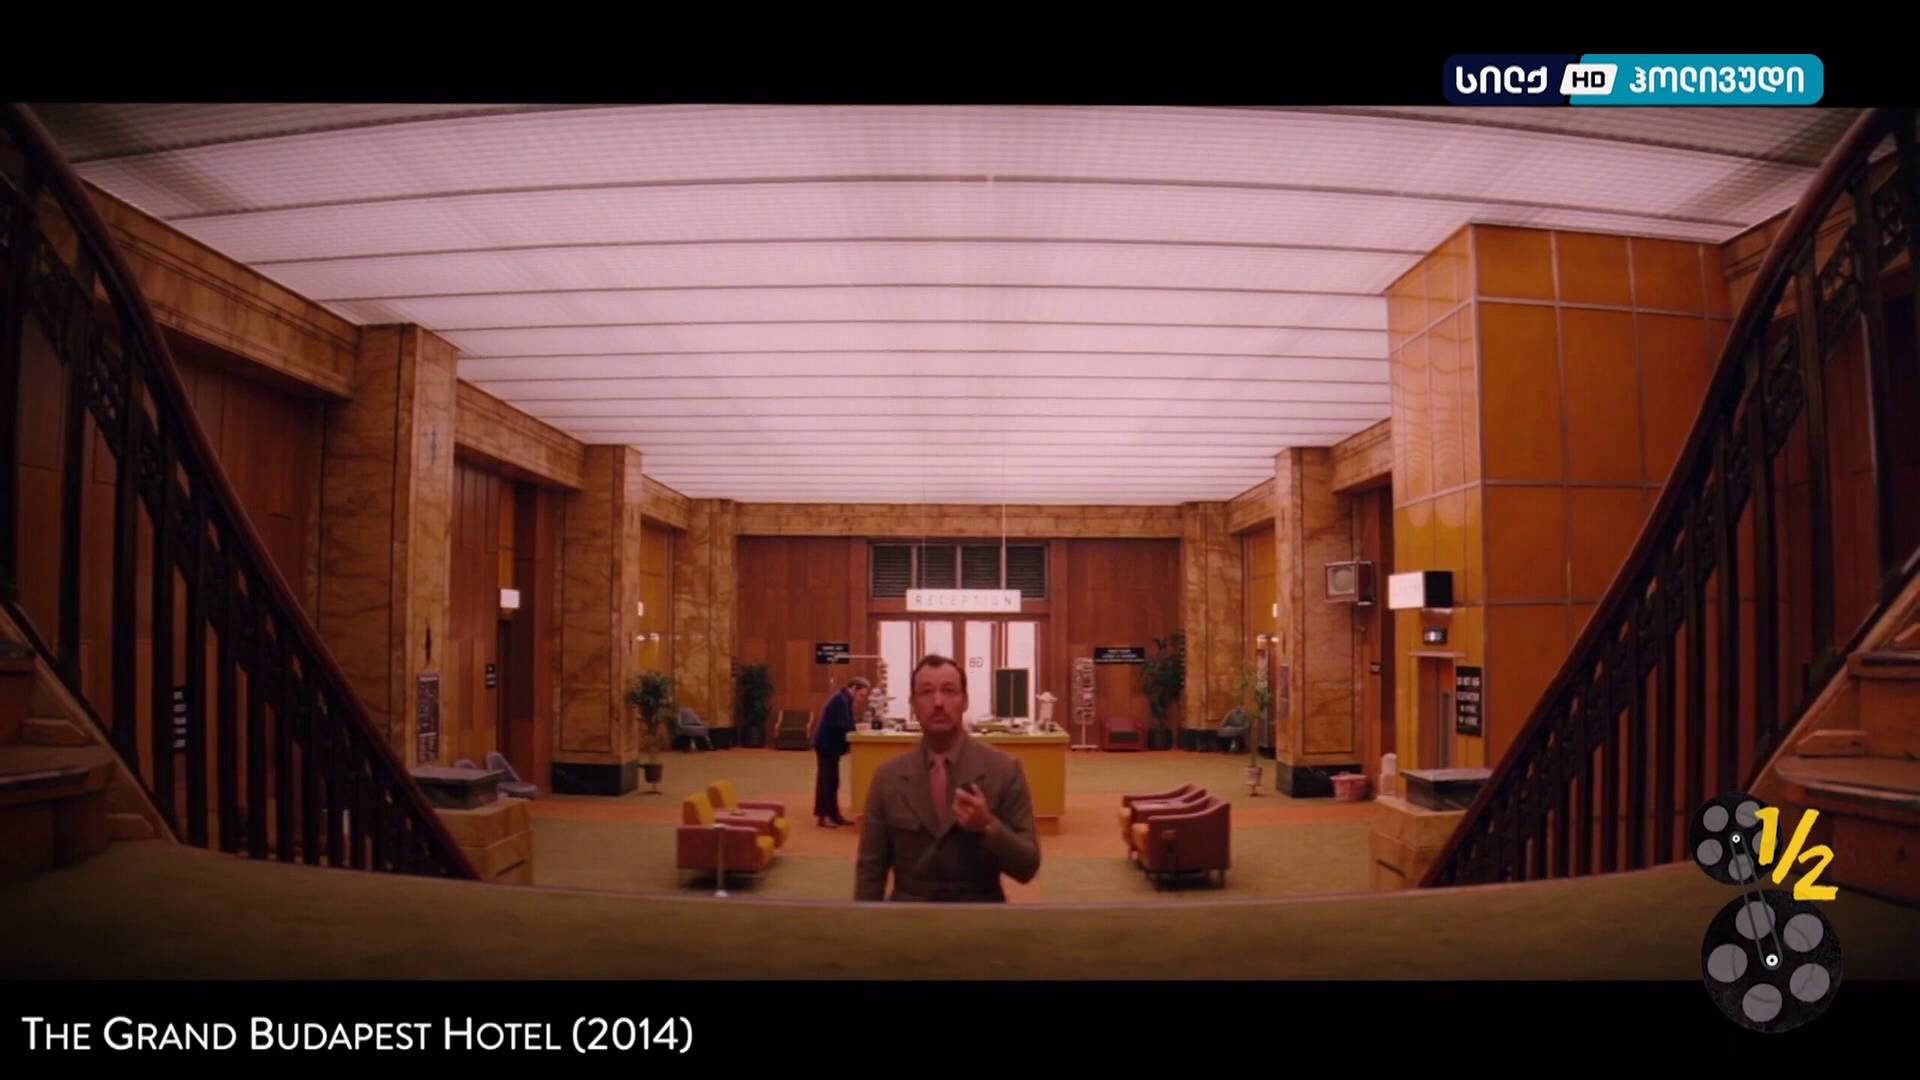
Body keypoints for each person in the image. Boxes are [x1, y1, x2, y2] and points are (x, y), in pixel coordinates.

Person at [854, 655, 1040, 902]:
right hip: (908, 918)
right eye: (926, 692)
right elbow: (870, 871)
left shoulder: (1004, 770)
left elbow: (1027, 866)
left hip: (981, 916)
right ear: (913, 703)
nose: (938, 702)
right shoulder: (888, 778)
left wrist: (987, 825)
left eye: (949, 691)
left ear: (965, 701)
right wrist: (866, 922)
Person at [809, 676, 869, 828]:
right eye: (861, 694)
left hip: (831, 745)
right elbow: (841, 724)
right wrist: (856, 728)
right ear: (853, 688)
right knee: (826, 781)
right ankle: (823, 816)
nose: (862, 699)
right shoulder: (840, 700)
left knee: (833, 781)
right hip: (826, 745)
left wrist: (855, 726)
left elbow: (845, 723)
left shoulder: (844, 699)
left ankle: (834, 814)